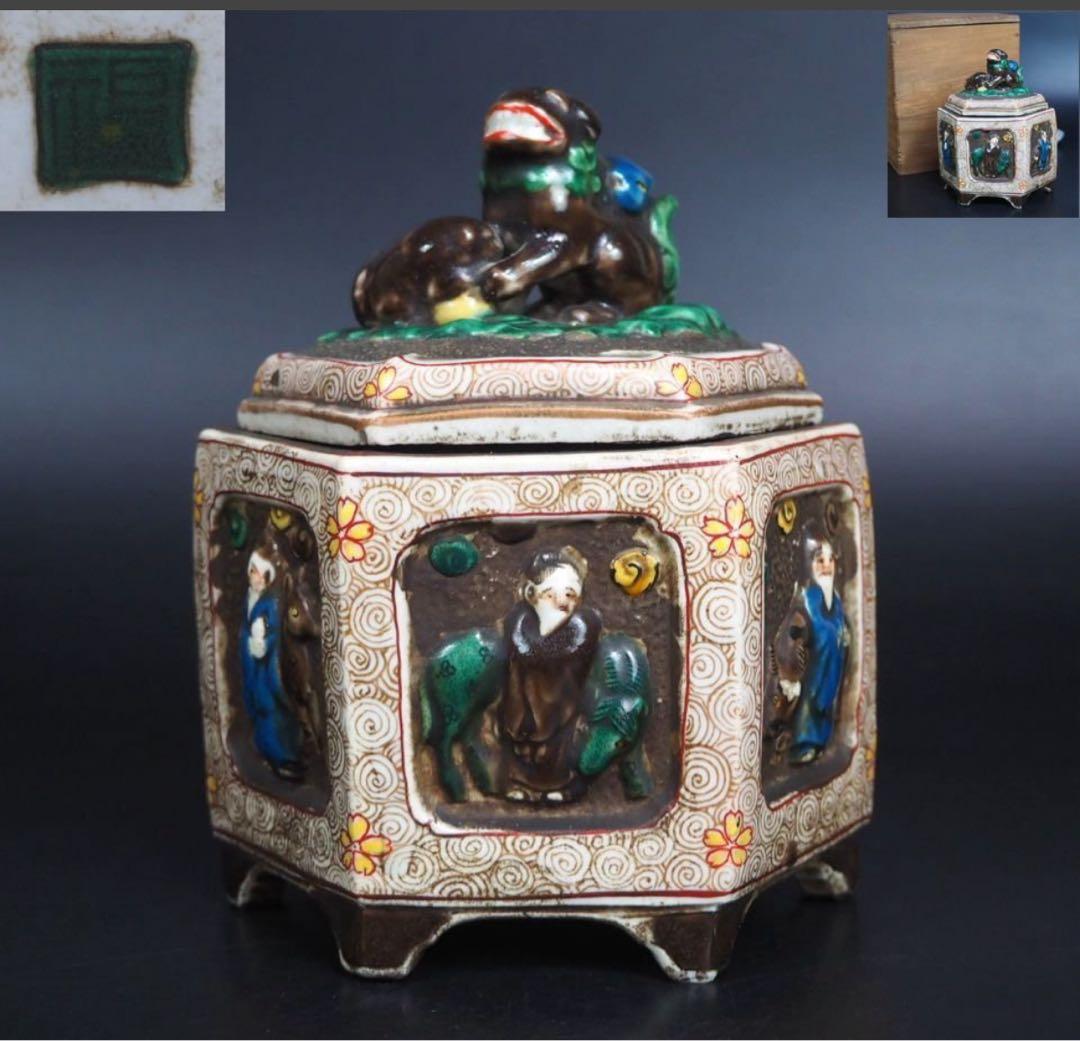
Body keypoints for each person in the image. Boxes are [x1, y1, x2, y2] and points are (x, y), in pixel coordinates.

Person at [500, 548, 600, 801]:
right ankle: (519, 785)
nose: (562, 601)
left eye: (570, 594)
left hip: (559, 701)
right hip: (523, 700)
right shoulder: (519, 621)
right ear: (531, 594)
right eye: (550, 594)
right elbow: (523, 651)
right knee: (522, 747)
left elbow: (556, 654)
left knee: (554, 749)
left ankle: (559, 787)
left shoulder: (583, 624)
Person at [777, 523, 850, 764]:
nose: (827, 567)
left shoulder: (835, 599)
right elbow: (792, 635)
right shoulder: (806, 600)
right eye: (820, 561)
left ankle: (820, 744)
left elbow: (841, 629)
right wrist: (791, 672)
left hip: (831, 673)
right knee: (808, 709)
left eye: (830, 560)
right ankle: (803, 743)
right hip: (812, 677)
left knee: (826, 710)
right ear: (809, 564)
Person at [240, 548, 305, 780]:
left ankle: (283, 757)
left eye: (261, 574)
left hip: (267, 670)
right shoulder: (250, 598)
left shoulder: (271, 603)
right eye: (253, 572)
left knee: (270, 708)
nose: (256, 578)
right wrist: (250, 641)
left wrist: (263, 640)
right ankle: (270, 755)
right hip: (253, 666)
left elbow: (276, 633)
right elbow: (245, 629)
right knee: (259, 707)